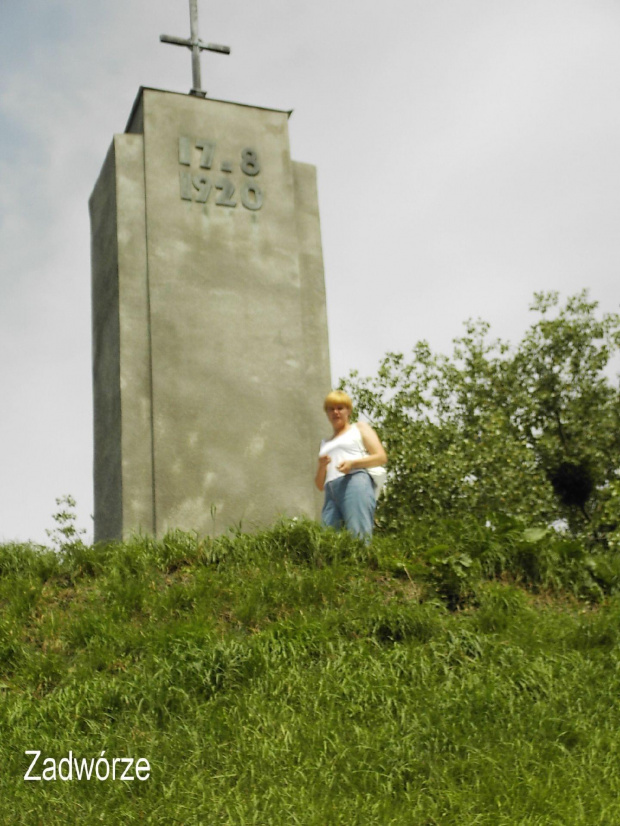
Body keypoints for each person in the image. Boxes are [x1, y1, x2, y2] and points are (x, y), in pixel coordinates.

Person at [315, 390, 387, 540]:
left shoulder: (358, 428)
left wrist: (353, 463)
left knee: (358, 533)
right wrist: (322, 466)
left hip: (354, 481)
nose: (335, 412)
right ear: (327, 413)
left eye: (340, 408)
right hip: (331, 490)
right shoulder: (325, 443)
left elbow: (381, 457)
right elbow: (319, 485)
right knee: (328, 539)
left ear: (348, 410)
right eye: (331, 409)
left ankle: (363, 563)